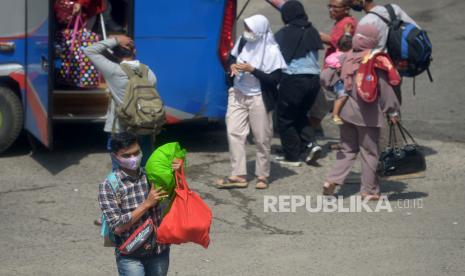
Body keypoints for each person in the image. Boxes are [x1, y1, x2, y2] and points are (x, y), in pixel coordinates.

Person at [322, 24, 400, 201]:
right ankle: (369, 190)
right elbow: (385, 89)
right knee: (370, 152)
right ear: (373, 39)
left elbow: (325, 78)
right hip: (367, 114)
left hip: (346, 111)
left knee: (348, 149)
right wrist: (392, 111)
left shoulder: (346, 56)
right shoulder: (374, 60)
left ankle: (331, 180)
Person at [216, 14, 287, 190]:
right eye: (246, 28)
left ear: (260, 31)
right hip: (238, 93)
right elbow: (232, 58)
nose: (247, 32)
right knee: (234, 131)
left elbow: (274, 80)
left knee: (262, 137)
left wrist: (253, 70)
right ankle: (238, 174)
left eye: (250, 29)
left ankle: (262, 175)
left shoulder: (272, 51)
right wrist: (232, 66)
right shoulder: (242, 41)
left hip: (259, 97)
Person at [98, 132, 181, 276]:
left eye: (136, 153)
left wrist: (176, 174)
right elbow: (117, 227)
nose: (133, 158)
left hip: (159, 251)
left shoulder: (151, 176)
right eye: (126, 155)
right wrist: (146, 205)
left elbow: (173, 202)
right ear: (114, 157)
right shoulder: (109, 186)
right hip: (130, 256)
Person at [83, 35, 157, 169]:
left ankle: (122, 189)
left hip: (121, 127)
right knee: (145, 166)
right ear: (134, 51)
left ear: (115, 53)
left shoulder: (113, 71)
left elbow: (90, 50)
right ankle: (145, 188)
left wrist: (116, 40)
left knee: (121, 170)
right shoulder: (147, 71)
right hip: (145, 125)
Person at [274, 0, 324, 167]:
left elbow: (275, 56)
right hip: (314, 80)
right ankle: (311, 145)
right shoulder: (312, 31)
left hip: (294, 79)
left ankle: (292, 156)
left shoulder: (284, 33)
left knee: (285, 117)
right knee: (300, 115)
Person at [321, 33, 353, 125]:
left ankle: (334, 111)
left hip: (328, 81)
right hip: (337, 80)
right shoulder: (346, 56)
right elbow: (341, 70)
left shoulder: (335, 54)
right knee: (342, 96)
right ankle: (335, 114)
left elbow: (328, 61)